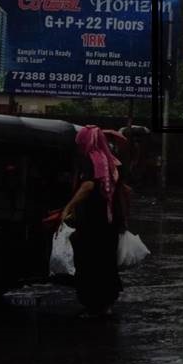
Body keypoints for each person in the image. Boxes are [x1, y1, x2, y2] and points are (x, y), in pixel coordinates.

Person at [62, 125, 126, 313]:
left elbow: (88, 185)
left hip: (93, 221)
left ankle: (93, 303)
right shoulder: (111, 161)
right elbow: (121, 191)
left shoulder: (91, 160)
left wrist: (69, 207)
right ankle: (106, 303)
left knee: (89, 261)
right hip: (110, 221)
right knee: (106, 261)